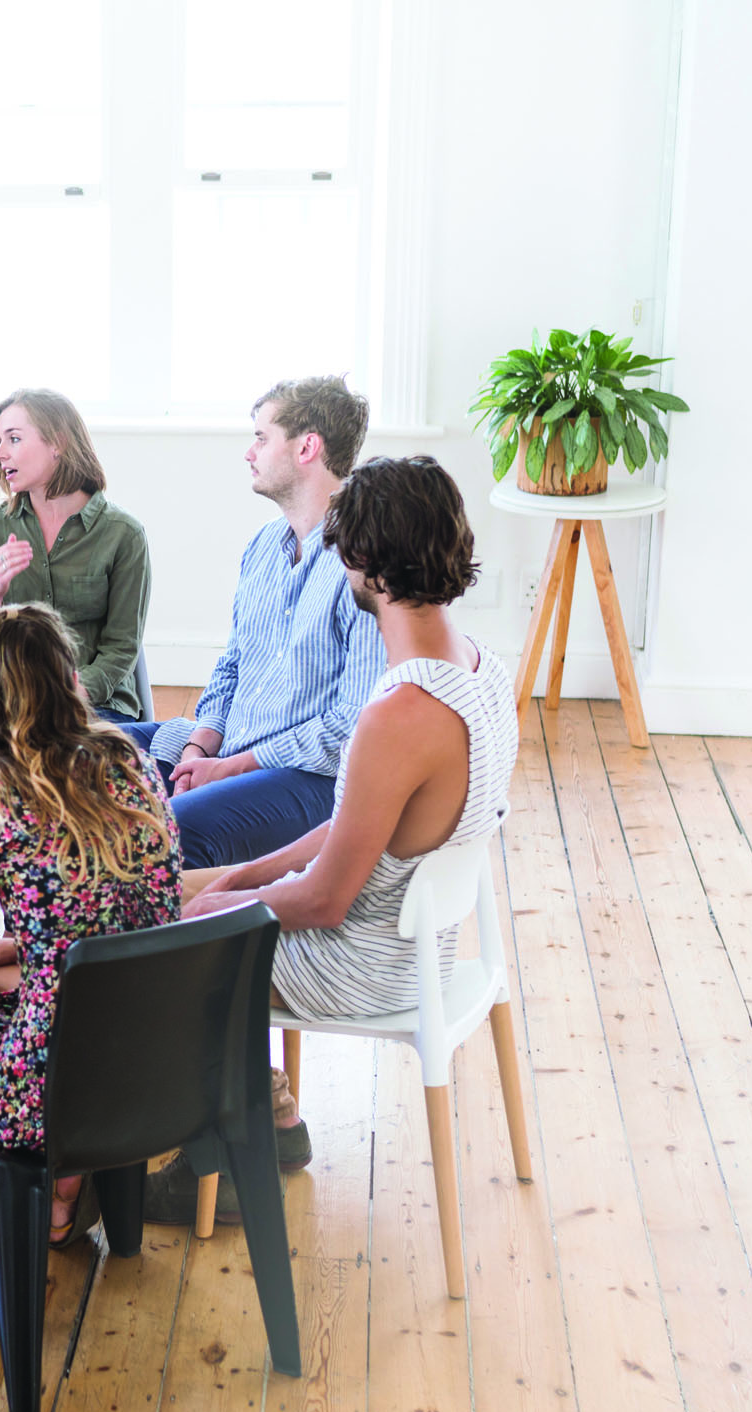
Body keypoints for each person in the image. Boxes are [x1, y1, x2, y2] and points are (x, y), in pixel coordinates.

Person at [151, 455, 517, 1224]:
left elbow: (323, 900)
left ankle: (208, 1157)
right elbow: (356, 820)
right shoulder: (479, 667)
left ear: (366, 563)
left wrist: (225, 898)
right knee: (165, 891)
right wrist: (248, 871)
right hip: (421, 939)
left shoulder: (399, 713)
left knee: (171, 933)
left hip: (366, 962)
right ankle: (273, 1119)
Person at [0, 603, 183, 1331]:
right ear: (70, 678)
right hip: (162, 1062)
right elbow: (114, 926)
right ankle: (63, 1200)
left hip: (51, 1090)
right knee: (25, 999)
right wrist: (11, 955)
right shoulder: (130, 762)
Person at [120, 375, 387, 871]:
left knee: (170, 828)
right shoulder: (264, 546)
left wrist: (230, 767)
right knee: (68, 757)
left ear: (307, 447)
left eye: (262, 438)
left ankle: (153, 945)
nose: (250, 452)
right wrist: (200, 746)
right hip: (232, 748)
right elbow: (233, 664)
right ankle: (34, 941)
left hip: (308, 777)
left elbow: (352, 726)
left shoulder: (366, 561)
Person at [0, 389, 152, 833]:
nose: (1, 454)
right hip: (0, 695)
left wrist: (63, 697)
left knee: (68, 772)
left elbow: (121, 650)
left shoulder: (123, 534)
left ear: (58, 440)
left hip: (89, 699)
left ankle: (54, 892)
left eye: (14, 438)